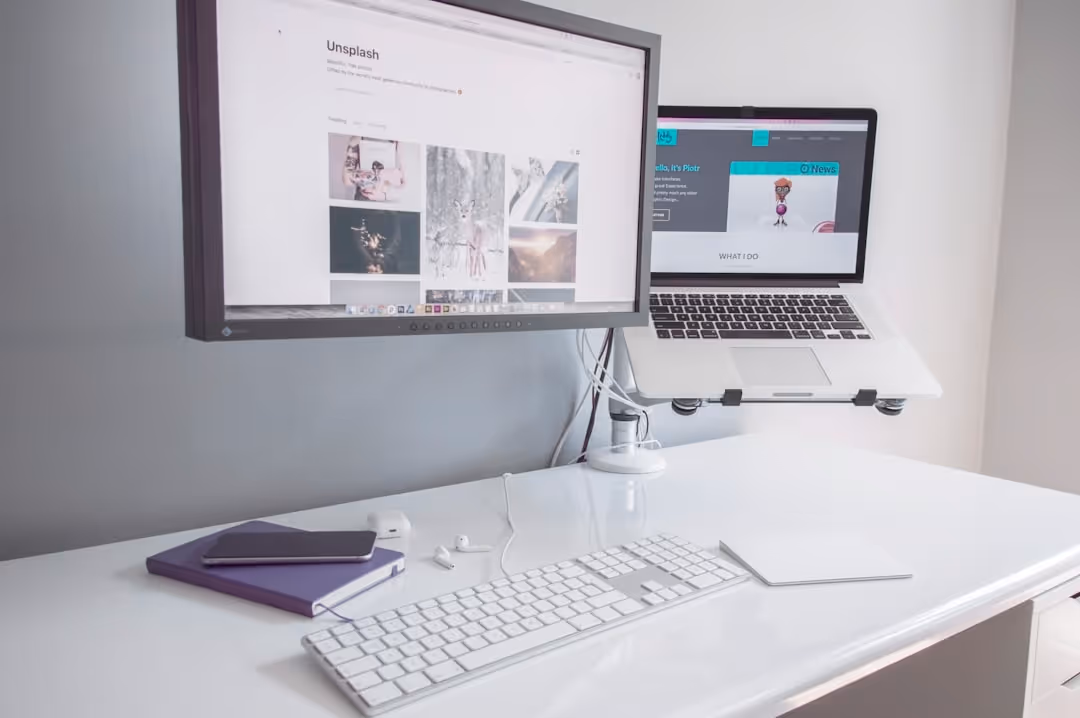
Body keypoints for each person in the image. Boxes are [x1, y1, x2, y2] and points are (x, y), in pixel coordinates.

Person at [341, 137, 407, 202]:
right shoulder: (357, 137)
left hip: (388, 202)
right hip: (365, 199)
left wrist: (384, 196)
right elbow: (347, 180)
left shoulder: (398, 138)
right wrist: (381, 175)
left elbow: (405, 184)